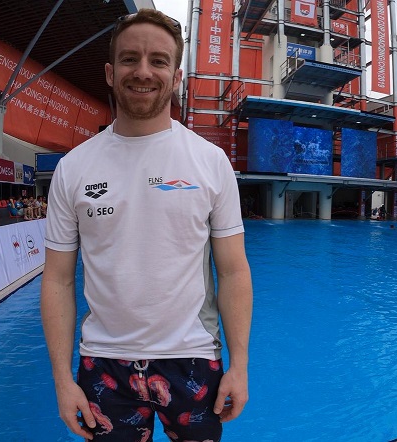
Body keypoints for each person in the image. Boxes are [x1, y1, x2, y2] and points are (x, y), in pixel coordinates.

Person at [40, 9, 253, 442]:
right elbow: (58, 279)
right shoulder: (73, 168)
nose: (142, 71)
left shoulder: (210, 163)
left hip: (193, 359)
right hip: (103, 363)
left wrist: (240, 366)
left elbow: (233, 270)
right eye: (129, 59)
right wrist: (62, 380)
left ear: (175, 76)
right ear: (109, 71)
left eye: (158, 61)